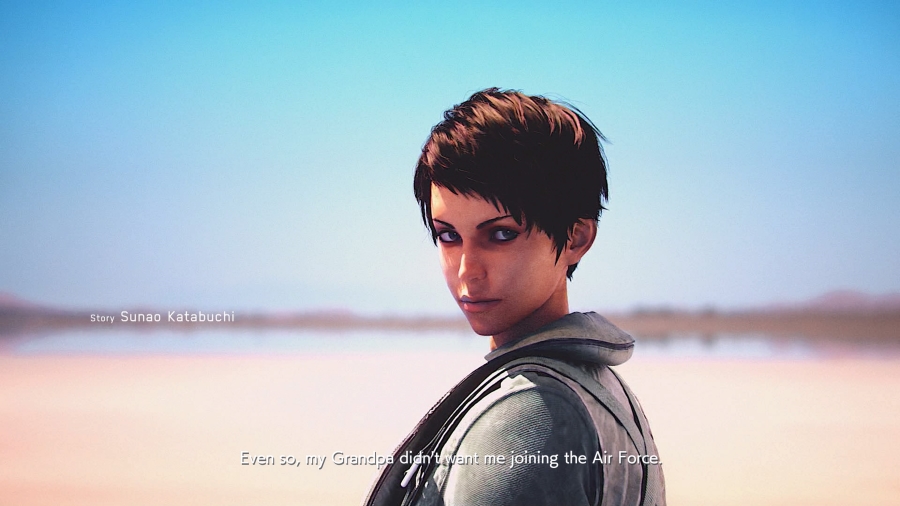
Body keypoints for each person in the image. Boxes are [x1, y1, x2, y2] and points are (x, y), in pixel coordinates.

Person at [364, 89, 666, 506]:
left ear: (576, 239)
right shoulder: (599, 383)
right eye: (448, 236)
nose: (467, 270)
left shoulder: (531, 413)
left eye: (501, 234)